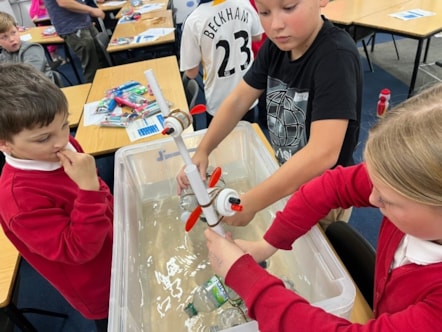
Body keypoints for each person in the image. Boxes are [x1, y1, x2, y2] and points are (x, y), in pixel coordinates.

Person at [204, 82, 442, 331]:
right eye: (373, 183)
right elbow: (333, 185)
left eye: (387, 200)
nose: (371, 199)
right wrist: (266, 245)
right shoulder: (402, 185)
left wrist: (245, 277)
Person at [177, 0, 362, 228]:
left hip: (324, 194)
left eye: (289, 7)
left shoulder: (336, 56)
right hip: (289, 175)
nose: (275, 25)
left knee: (315, 247)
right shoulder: (276, 47)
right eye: (264, 12)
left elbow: (323, 153)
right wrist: (203, 150)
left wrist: (252, 202)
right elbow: (237, 100)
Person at [0, 63, 112, 332]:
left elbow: (98, 185)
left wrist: (95, 193)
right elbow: (77, 250)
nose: (62, 140)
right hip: (97, 284)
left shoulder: (64, 145)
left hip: (114, 243)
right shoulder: (19, 200)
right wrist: (88, 192)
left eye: (65, 125)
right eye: (43, 138)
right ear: (4, 144)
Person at [179, 0, 263, 125]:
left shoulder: (194, 19)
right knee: (247, 136)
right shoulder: (243, 3)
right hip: (248, 93)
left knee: (221, 142)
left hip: (219, 100)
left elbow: (191, 73)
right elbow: (258, 36)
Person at [43, 0, 106, 83]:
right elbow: (64, 2)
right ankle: (96, 92)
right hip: (73, 27)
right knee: (92, 67)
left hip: (84, 23)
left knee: (102, 58)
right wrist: (91, 10)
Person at [0, 12, 54, 81]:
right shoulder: (2, 57)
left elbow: (27, 78)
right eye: (4, 37)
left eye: (13, 33)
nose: (12, 39)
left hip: (42, 89)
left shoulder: (32, 49)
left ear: (17, 29)